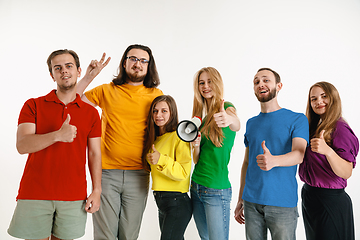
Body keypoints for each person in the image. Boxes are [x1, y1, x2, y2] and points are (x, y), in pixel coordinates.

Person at [8, 49, 102, 240]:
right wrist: (57, 135)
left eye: (69, 66)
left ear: (78, 70)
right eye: (57, 68)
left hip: (74, 196)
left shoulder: (91, 113)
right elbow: (22, 145)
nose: (64, 71)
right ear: (52, 75)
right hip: (35, 194)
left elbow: (94, 154)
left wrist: (97, 190)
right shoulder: (33, 105)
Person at [76, 44, 163, 239]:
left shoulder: (156, 96)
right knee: (104, 236)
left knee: (128, 236)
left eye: (143, 60)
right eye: (133, 59)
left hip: (139, 174)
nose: (137, 64)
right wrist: (89, 76)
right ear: (124, 63)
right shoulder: (107, 90)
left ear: (149, 66)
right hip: (106, 174)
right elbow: (72, 102)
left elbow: (166, 130)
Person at [234, 68, 309, 240]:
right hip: (251, 202)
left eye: (266, 80)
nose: (260, 84)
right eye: (256, 81)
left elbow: (299, 154)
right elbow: (247, 163)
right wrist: (241, 198)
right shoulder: (251, 123)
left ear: (279, 86)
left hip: (282, 203)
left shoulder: (297, 119)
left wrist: (274, 160)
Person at [298, 82, 358, 240]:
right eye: (313, 98)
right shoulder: (314, 127)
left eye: (324, 96)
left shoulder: (340, 128)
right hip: (311, 197)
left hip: (330, 201)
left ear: (334, 98)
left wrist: (328, 151)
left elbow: (346, 172)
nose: (318, 101)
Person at [190, 67, 240, 240]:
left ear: (217, 83)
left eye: (209, 81)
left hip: (216, 191)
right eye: (201, 83)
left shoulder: (226, 108)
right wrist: (195, 146)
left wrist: (229, 119)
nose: (205, 86)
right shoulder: (202, 120)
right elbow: (196, 160)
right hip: (196, 186)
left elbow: (236, 124)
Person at [142, 95, 192, 240]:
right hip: (162, 202)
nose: (158, 115)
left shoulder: (179, 136)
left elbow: (184, 172)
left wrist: (161, 159)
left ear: (172, 113)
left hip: (177, 202)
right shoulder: (154, 139)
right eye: (155, 111)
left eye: (164, 111)